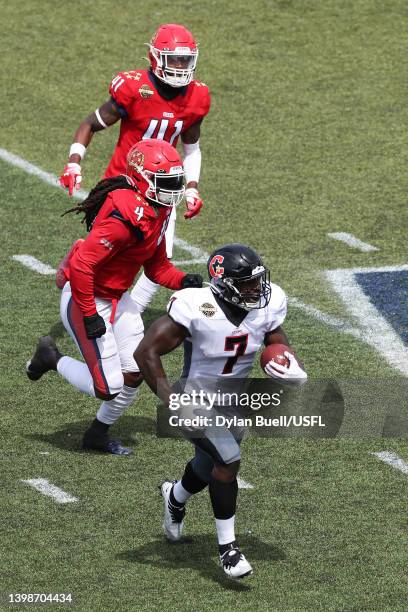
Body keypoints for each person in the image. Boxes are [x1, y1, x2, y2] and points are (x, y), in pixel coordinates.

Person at [134, 243, 307, 579]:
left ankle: (175, 496)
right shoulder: (196, 306)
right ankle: (228, 550)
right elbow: (145, 353)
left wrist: (287, 361)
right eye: (247, 283)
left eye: (259, 280)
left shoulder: (267, 303)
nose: (257, 288)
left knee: (207, 465)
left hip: (232, 402)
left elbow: (275, 338)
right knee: (228, 461)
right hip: (193, 398)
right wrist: (171, 399)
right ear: (224, 283)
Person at [27, 139, 202, 455]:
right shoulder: (125, 215)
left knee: (135, 370)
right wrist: (90, 314)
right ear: (140, 178)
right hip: (85, 295)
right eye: (166, 182)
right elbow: (83, 266)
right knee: (107, 387)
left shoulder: (156, 210)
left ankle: (96, 434)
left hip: (117, 297)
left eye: (176, 180)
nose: (174, 189)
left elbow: (157, 266)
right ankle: (50, 358)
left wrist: (183, 281)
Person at [59, 23, 210, 313]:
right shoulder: (133, 88)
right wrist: (73, 163)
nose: (180, 66)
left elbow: (192, 146)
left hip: (164, 185)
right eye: (173, 58)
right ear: (156, 58)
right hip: (122, 186)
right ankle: (82, 290)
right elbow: (90, 123)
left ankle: (130, 315)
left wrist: (192, 186)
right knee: (111, 258)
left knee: (160, 257)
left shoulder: (198, 97)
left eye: (185, 59)